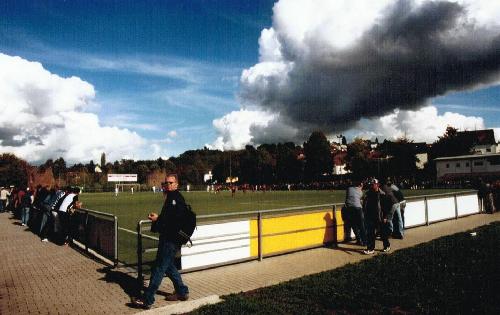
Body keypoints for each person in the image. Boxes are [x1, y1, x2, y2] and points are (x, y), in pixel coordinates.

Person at [132, 174, 189, 309]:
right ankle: (182, 291)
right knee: (168, 266)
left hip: (170, 240)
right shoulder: (171, 197)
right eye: (166, 183)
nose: (168, 185)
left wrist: (157, 219)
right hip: (169, 239)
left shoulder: (175, 199)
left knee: (158, 268)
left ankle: (147, 299)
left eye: (171, 183)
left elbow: (174, 221)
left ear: (176, 184)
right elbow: (169, 218)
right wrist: (159, 219)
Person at [363, 179, 391, 254]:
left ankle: (387, 246)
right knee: (370, 233)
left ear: (377, 185)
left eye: (374, 184)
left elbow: (385, 207)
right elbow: (365, 203)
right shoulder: (368, 193)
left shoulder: (382, 194)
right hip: (370, 217)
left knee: (383, 233)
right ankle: (371, 248)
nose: (372, 185)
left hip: (380, 217)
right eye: (371, 184)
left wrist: (385, 217)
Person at [344, 180, 366, 246]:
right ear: (360, 185)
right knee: (361, 226)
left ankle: (359, 240)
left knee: (354, 226)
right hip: (358, 209)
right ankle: (364, 241)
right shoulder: (360, 191)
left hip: (350, 209)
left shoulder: (349, 189)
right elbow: (360, 198)